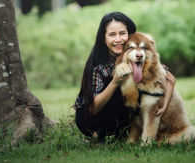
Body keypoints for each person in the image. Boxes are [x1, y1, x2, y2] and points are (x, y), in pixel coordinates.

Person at [73, 11, 176, 142]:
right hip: (89, 119)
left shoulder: (138, 56)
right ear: (104, 39)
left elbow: (170, 79)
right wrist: (114, 82)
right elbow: (92, 108)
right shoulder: (99, 66)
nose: (118, 39)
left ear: (130, 35)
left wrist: (164, 106)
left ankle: (125, 133)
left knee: (143, 88)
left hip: (122, 116)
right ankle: (98, 134)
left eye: (122, 33)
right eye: (112, 35)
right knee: (121, 88)